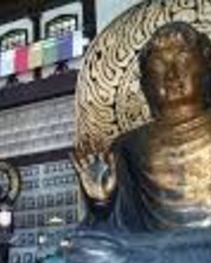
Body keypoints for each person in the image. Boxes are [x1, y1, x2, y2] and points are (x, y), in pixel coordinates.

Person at [74, 21, 211, 232]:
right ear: (146, 82)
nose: (172, 75)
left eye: (183, 60)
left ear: (206, 66)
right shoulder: (128, 146)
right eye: (159, 66)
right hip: (153, 246)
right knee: (90, 247)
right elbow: (119, 224)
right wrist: (102, 201)